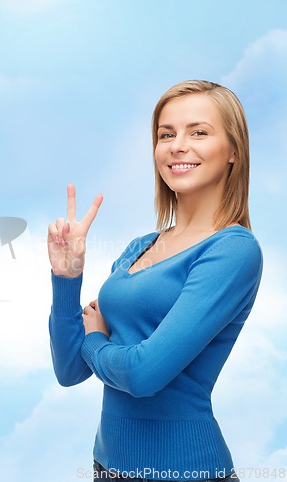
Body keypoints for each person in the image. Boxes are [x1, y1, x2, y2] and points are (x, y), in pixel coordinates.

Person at [47, 80, 263, 481]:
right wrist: (66, 277)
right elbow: (70, 371)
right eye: (167, 134)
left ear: (233, 151)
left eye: (198, 132)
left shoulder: (233, 251)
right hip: (106, 467)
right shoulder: (139, 247)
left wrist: (95, 340)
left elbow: (143, 375)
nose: (178, 145)